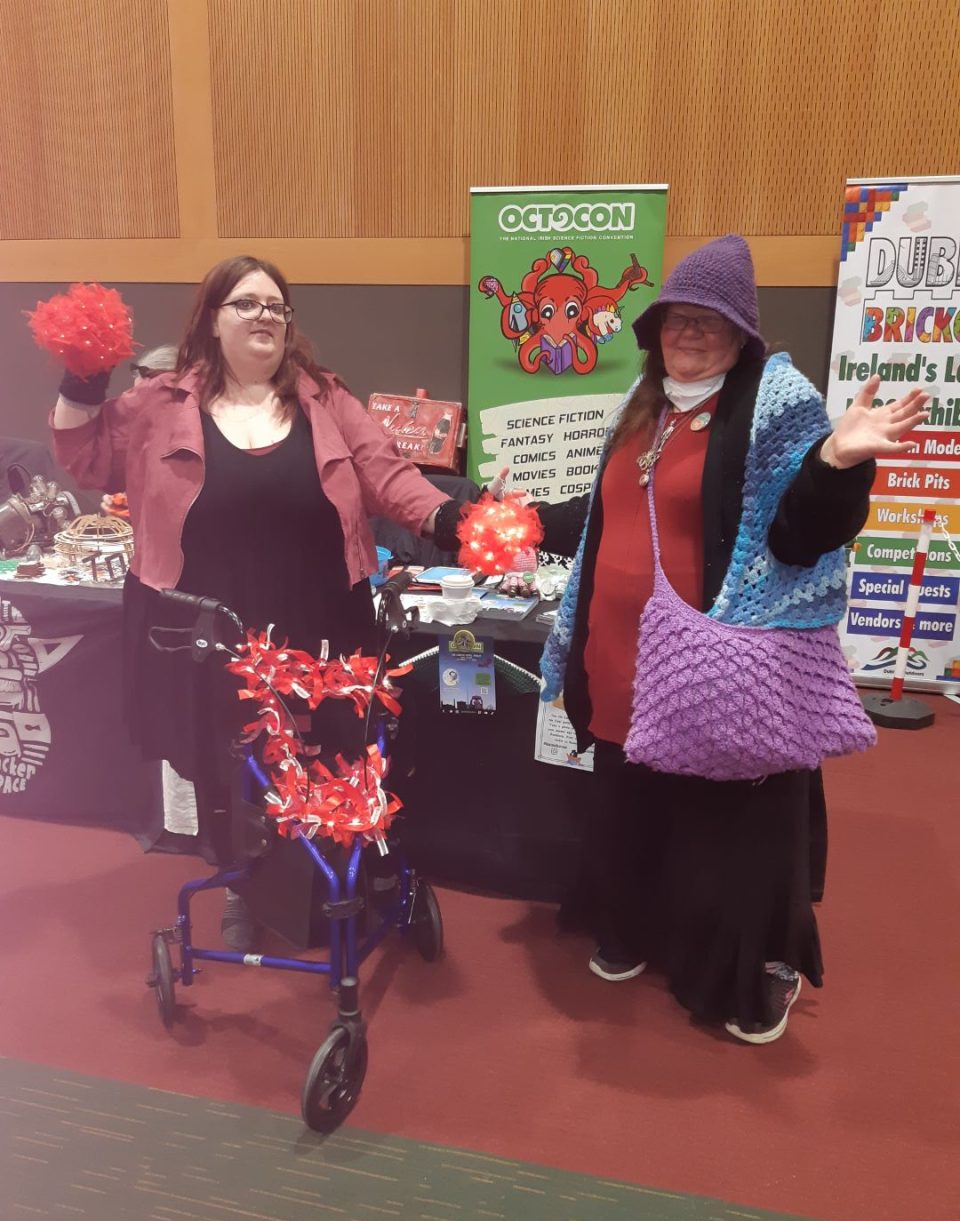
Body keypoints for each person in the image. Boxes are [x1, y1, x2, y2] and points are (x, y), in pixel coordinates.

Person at [521, 236, 927, 1043]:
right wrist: (520, 516)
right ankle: (635, 927)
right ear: (654, 328)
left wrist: (838, 464)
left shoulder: (777, 407)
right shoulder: (641, 406)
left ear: (744, 331)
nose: (692, 332)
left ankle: (735, 976)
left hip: (715, 674)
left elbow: (798, 535)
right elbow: (603, 517)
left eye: (712, 320)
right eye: (678, 318)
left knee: (721, 836)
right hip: (620, 662)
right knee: (630, 811)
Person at [51, 255, 455, 948]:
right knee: (234, 767)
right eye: (247, 303)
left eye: (277, 305)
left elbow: (386, 474)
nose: (266, 315)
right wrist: (83, 376)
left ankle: (360, 880)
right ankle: (250, 884)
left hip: (323, 616)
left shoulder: (324, 398)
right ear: (213, 317)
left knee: (339, 756)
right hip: (211, 629)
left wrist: (449, 521)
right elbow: (85, 458)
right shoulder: (160, 402)